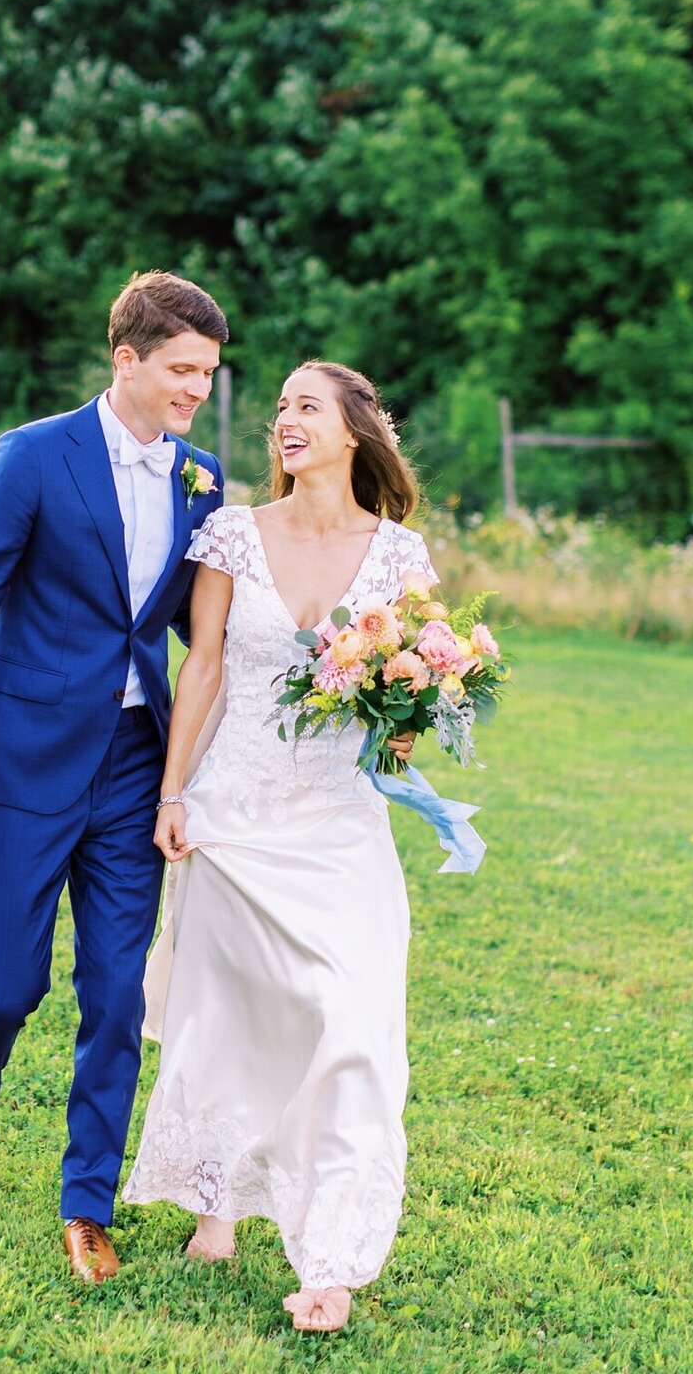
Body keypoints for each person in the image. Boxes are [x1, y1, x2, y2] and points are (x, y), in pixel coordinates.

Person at [0, 270, 228, 1284]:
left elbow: (199, 627)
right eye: (183, 370)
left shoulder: (203, 478)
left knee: (115, 992)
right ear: (126, 360)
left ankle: (86, 1201)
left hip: (138, 769)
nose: (197, 392)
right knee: (9, 984)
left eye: (211, 375)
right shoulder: (33, 457)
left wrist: (332, 658)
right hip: (21, 759)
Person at [123, 360, 435, 1333]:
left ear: (353, 429)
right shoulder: (231, 533)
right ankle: (218, 1209)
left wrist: (412, 710)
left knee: (352, 1028)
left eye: (306, 406)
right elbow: (204, 665)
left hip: (342, 824)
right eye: (279, 410)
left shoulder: (401, 558)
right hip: (233, 811)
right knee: (230, 1020)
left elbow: (412, 703)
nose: (283, 421)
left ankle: (330, 1260)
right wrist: (176, 793)